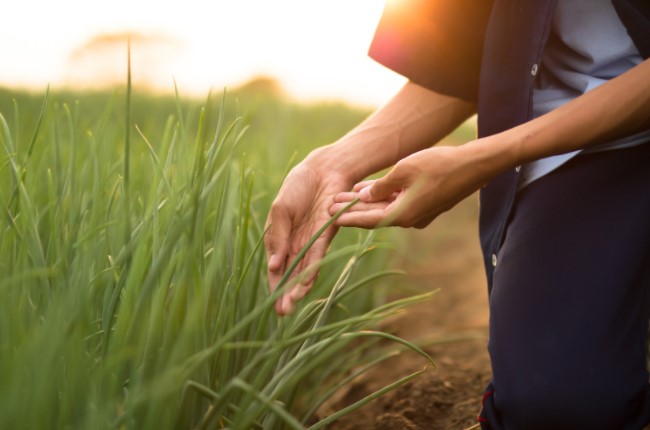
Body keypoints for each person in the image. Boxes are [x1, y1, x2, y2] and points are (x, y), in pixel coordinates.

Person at [264, 0, 650, 428]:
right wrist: (333, 162)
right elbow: (456, 62)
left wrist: (486, 156)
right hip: (581, 147)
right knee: (557, 404)